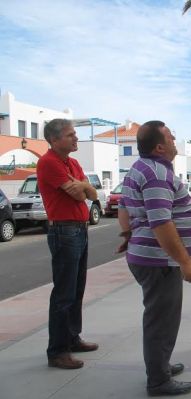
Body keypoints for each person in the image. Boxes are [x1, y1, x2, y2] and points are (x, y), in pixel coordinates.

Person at [118, 120, 191, 397]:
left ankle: (160, 365)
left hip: (150, 256)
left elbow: (123, 207)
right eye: (170, 136)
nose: (175, 138)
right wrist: (186, 262)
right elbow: (161, 222)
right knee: (161, 320)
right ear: (159, 146)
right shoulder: (155, 173)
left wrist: (129, 234)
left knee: (160, 317)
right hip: (158, 260)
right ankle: (158, 380)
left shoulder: (139, 168)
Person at [37, 119, 99, 369]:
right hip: (64, 231)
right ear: (54, 140)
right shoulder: (49, 162)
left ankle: (72, 338)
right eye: (70, 135)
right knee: (63, 293)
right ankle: (57, 351)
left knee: (77, 289)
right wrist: (83, 188)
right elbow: (78, 194)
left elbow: (92, 194)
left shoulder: (72, 163)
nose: (76, 139)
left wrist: (83, 186)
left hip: (80, 230)